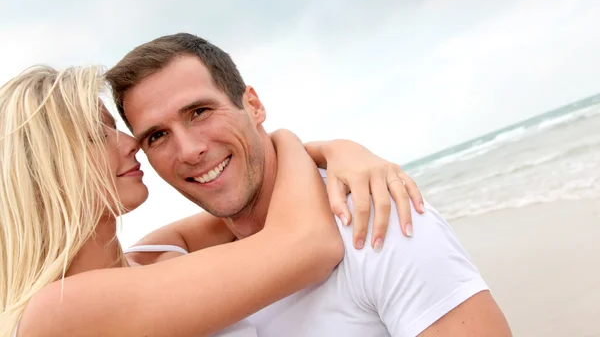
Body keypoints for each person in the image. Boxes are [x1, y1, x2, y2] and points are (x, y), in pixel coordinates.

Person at [106, 32, 513, 336]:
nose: (190, 150)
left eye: (199, 111)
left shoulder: (374, 221)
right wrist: (318, 148)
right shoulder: (175, 270)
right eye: (157, 136)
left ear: (253, 104)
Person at [0, 65, 422, 337]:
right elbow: (309, 244)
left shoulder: (151, 258)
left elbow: (246, 209)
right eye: (98, 133)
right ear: (46, 172)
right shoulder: (60, 313)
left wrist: (339, 153)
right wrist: (294, 141)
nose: (131, 143)